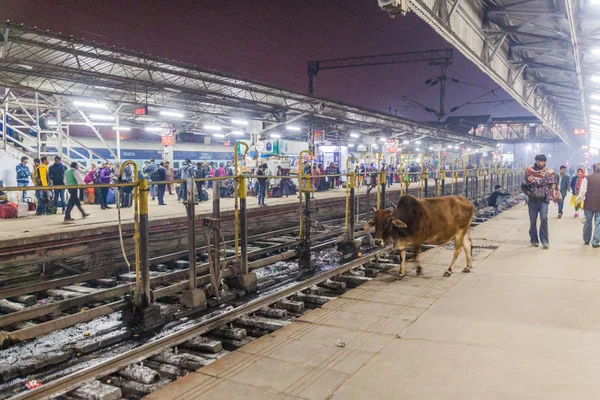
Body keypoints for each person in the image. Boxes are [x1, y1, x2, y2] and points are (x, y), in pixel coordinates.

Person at [521, 154, 562, 249]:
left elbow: (553, 185)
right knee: (532, 221)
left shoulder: (549, 172)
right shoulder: (529, 172)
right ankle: (534, 240)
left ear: (545, 162)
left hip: (544, 200)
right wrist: (529, 193)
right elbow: (523, 186)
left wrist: (552, 194)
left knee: (544, 219)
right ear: (535, 161)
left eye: (542, 161)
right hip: (532, 200)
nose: (540, 162)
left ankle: (545, 241)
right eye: (538, 160)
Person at [577, 163, 600, 248]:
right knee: (599, 223)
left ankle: (586, 240)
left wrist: (579, 201)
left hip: (588, 205)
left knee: (587, 222)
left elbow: (582, 191)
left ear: (593, 169)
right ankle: (595, 241)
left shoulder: (587, 178)